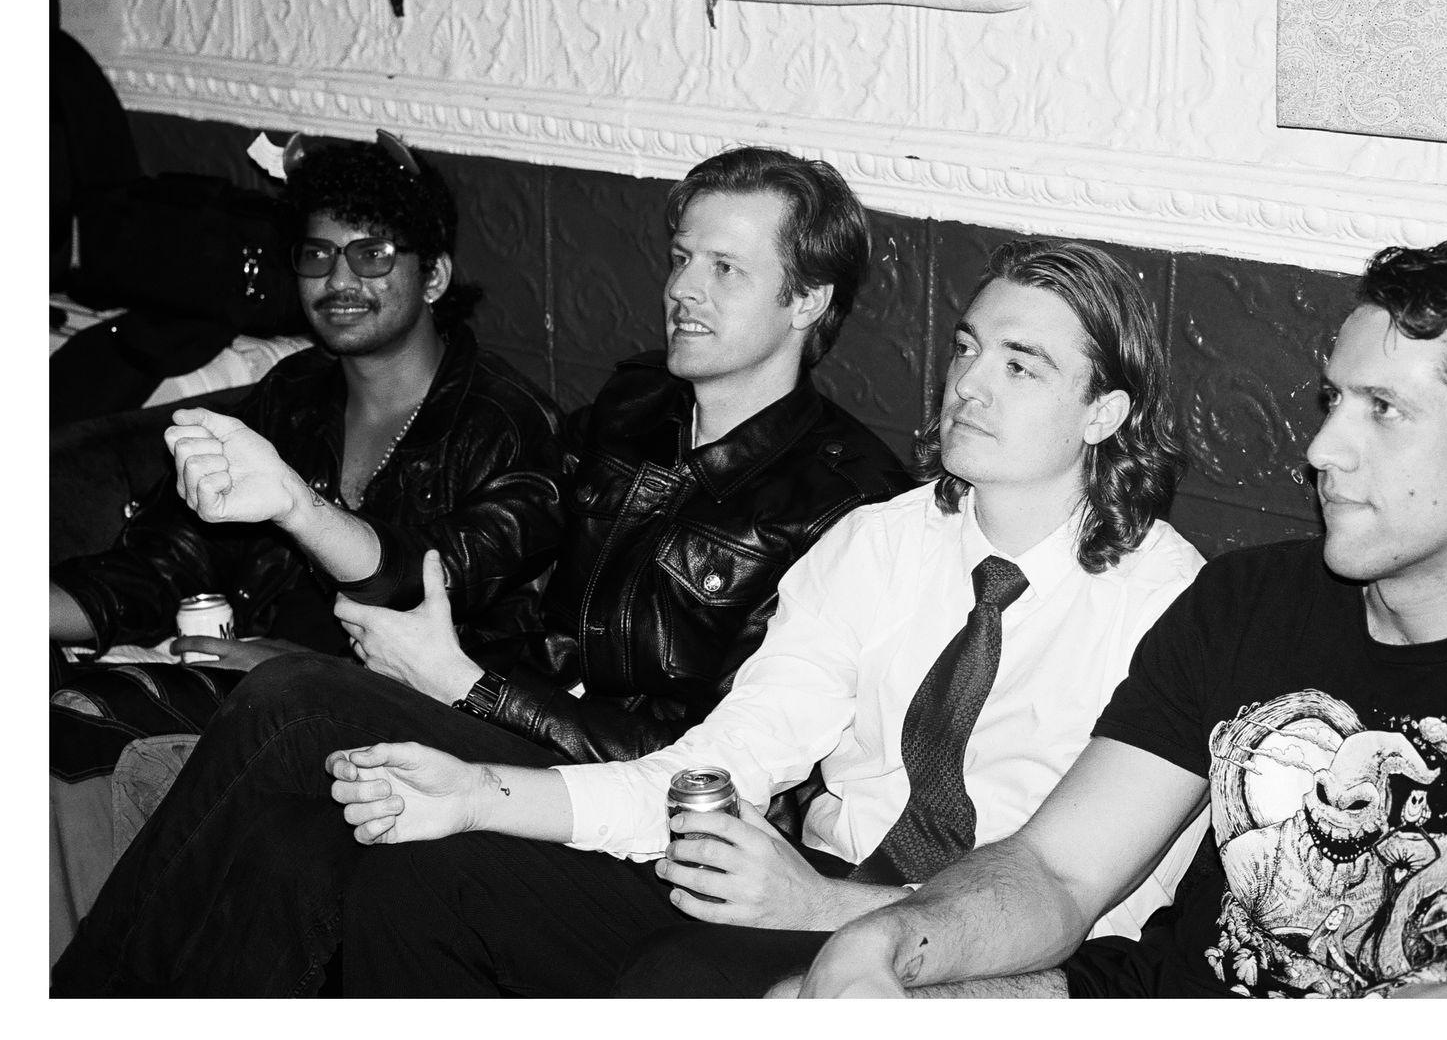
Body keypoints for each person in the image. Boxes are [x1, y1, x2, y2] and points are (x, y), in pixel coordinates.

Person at [51, 144, 910, 995]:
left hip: (643, 820)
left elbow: (710, 768)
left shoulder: (846, 504)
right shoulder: (637, 403)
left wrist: (467, 686)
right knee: (295, 841)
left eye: (726, 269)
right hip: (516, 735)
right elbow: (465, 552)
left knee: (293, 700)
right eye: (682, 257)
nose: (683, 288)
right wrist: (298, 508)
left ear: (808, 299)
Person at [303, 236, 1209, 1000]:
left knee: (681, 979)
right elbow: (728, 757)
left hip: (1009, 955)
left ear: (1104, 413)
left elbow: (1102, 899)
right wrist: (478, 793)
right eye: (966, 349)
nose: (969, 383)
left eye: (1020, 366)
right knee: (427, 878)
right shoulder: (879, 543)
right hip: (813, 886)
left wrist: (827, 908)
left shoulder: (1173, 605)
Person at [793, 240, 1447, 1000]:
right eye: (1333, 401)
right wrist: (888, 940)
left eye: (1384, 411)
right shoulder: (1247, 602)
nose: (1323, 449)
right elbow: (1059, 872)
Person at [48, 131, 565, 960]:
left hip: (408, 726)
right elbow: (162, 563)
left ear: (434, 277)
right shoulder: (292, 397)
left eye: (372, 254)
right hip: (237, 682)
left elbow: (436, 591)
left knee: (83, 752)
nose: (339, 280)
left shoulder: (505, 425)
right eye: (318, 255)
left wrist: (303, 628)